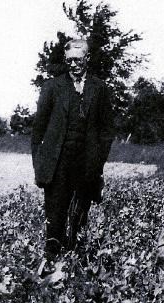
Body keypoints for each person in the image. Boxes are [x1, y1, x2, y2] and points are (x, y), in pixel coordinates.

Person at [31, 39, 114, 261]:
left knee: (78, 219)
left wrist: (97, 163)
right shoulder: (51, 87)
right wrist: (40, 167)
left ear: (87, 59)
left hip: (86, 167)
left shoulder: (100, 89)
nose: (73, 64)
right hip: (57, 166)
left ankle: (74, 266)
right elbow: (37, 131)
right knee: (55, 221)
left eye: (78, 59)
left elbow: (107, 131)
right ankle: (50, 269)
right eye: (69, 60)